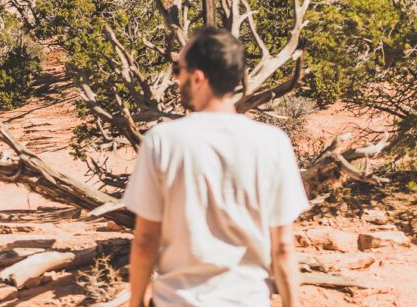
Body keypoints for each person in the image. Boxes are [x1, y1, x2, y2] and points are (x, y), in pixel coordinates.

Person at [123, 26, 309, 307]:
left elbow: (146, 239)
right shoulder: (273, 143)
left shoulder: (163, 142)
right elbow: (282, 246)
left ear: (197, 77)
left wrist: (136, 301)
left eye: (179, 68)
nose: (176, 78)